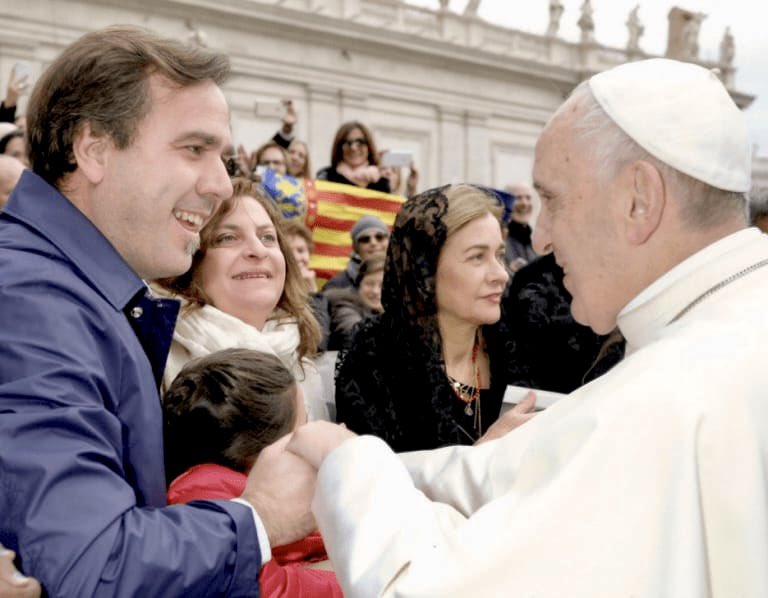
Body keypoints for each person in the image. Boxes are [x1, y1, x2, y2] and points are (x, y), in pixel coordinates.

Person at [287, 58, 768, 596]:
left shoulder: (669, 393)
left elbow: (429, 586)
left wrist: (343, 461)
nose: (539, 240)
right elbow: (509, 467)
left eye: (554, 200)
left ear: (639, 199)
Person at [0, 26, 315, 595]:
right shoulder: (27, 302)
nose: (220, 184)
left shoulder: (73, 293)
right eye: (194, 148)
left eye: (221, 155)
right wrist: (261, 517)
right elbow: (92, 567)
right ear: (93, 148)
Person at [335, 184, 535, 451]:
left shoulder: (510, 345)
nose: (501, 274)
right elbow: (376, 480)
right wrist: (481, 454)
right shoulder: (376, 355)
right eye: (477, 257)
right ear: (425, 272)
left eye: (499, 255)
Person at [164, 348, 343, 598]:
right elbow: (274, 590)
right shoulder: (202, 496)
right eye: (302, 426)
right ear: (262, 452)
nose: (311, 433)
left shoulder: (230, 488)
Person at [157, 176, 328, 420]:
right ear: (192, 262)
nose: (257, 250)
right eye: (228, 237)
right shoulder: (155, 359)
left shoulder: (303, 368)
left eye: (268, 237)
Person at [324, 255, 384, 351]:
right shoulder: (345, 303)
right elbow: (357, 332)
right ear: (358, 285)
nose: (375, 291)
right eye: (369, 284)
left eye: (383, 285)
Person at [316, 121, 390, 192]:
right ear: (339, 148)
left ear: (369, 147)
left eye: (360, 142)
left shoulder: (381, 184)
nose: (353, 148)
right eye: (348, 142)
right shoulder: (326, 177)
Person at [322, 213, 389, 291]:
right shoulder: (336, 287)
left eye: (379, 237)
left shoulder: (405, 277)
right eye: (365, 239)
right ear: (356, 248)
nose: (373, 243)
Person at [503, 181, 537, 272]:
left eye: (528, 198)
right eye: (518, 198)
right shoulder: (498, 239)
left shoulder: (537, 241)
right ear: (506, 203)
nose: (524, 203)